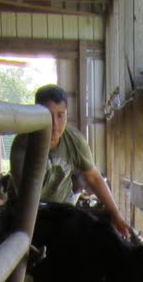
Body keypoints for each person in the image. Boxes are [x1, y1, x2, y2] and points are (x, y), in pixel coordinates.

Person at [8, 84, 134, 241]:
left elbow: (94, 178)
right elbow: (25, 191)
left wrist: (116, 214)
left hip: (60, 214)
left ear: (67, 114)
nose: (54, 124)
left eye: (60, 115)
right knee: (13, 251)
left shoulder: (75, 141)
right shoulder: (23, 143)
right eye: (47, 115)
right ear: (36, 114)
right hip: (25, 214)